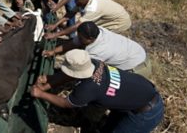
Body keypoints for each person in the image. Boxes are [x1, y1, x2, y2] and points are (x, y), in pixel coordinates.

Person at [31, 49, 164, 133]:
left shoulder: (88, 88)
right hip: (140, 93)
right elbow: (71, 74)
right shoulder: (95, 63)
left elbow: (67, 103)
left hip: (146, 114)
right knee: (108, 127)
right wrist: (49, 81)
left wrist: (40, 94)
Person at [43, 21, 151, 78]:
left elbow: (77, 72)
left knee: (102, 85)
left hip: (137, 68)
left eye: (81, 38)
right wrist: (53, 52)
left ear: (90, 39)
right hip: (137, 52)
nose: (78, 39)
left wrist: (51, 80)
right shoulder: (96, 31)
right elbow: (73, 43)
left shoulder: (98, 51)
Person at [45, 0, 131, 38]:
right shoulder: (83, 1)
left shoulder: (93, 8)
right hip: (112, 14)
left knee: (96, 35)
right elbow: (71, 13)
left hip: (119, 21)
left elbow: (77, 26)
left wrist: (55, 35)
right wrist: (55, 25)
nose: (75, 0)